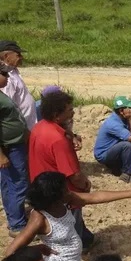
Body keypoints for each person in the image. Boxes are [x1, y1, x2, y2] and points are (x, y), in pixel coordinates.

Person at [28, 86, 95, 249]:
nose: (72, 112)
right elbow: (74, 175)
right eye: (69, 110)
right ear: (57, 115)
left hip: (42, 186)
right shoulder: (58, 140)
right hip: (62, 194)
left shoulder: (39, 127)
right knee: (72, 233)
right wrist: (85, 185)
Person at [0, 61, 29, 236]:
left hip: (13, 143)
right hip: (10, 146)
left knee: (8, 183)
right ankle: (17, 224)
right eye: (4, 74)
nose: (8, 77)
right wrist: (1, 155)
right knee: (19, 182)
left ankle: (14, 216)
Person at [93, 96, 131, 183]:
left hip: (114, 149)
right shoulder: (113, 123)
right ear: (121, 111)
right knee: (127, 145)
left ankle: (117, 168)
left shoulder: (123, 119)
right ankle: (127, 174)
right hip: (104, 155)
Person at [0, 40, 37, 129]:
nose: (22, 57)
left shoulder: (12, 70)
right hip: (22, 128)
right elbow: (9, 108)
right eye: (18, 55)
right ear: (6, 56)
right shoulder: (7, 78)